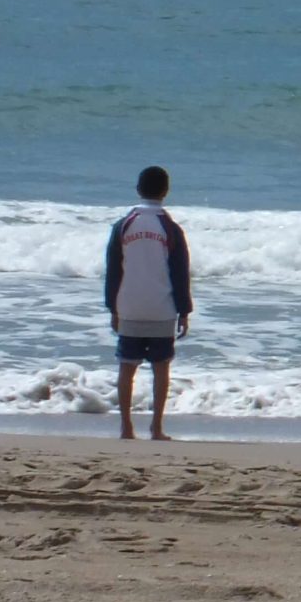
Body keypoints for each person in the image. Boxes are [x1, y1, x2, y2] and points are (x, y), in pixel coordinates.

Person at [103, 165, 191, 441]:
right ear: (166, 191)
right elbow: (180, 272)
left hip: (129, 306)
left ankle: (126, 427)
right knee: (161, 368)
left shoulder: (124, 226)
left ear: (138, 189)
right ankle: (156, 427)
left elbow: (113, 270)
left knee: (127, 367)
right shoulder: (170, 229)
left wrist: (112, 307)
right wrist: (184, 310)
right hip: (162, 308)